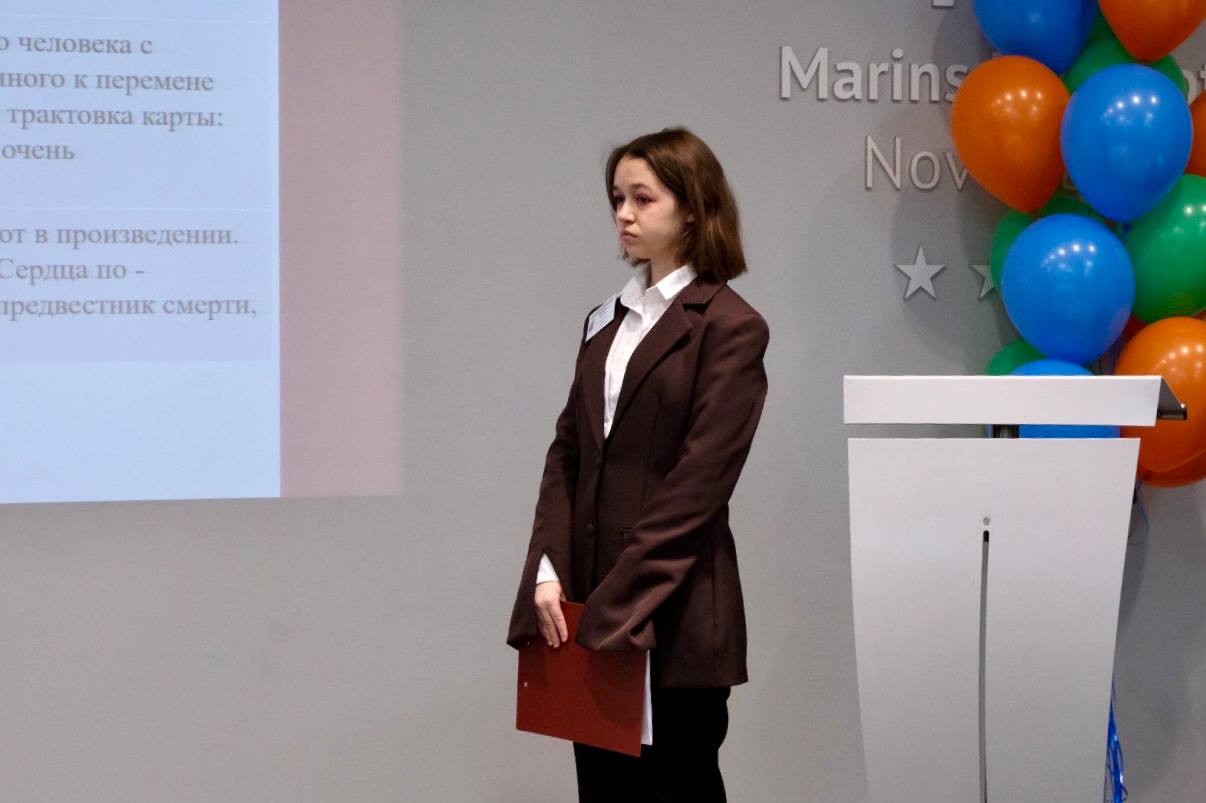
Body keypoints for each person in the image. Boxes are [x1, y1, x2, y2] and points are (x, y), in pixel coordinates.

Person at [506, 126, 770, 803]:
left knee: (677, 790)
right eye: (617, 199)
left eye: (642, 199)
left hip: (675, 617)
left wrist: (617, 603)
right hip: (589, 609)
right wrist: (548, 569)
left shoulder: (730, 326)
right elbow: (568, 452)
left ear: (692, 207)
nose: (623, 214)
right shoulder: (604, 319)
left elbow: (698, 486)